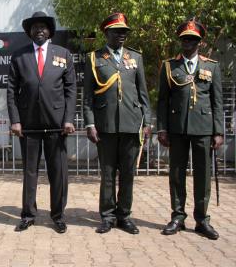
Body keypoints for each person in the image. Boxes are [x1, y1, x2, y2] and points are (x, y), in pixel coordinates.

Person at [7, 11, 77, 233]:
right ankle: (28, 214)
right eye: (35, 27)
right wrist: (15, 121)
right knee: (30, 172)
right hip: (28, 126)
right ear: (29, 32)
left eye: (43, 27)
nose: (39, 30)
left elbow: (71, 89)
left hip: (57, 125)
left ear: (50, 31)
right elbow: (11, 91)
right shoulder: (19, 56)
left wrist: (68, 119)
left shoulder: (63, 54)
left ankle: (58, 215)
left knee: (58, 172)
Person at [83, 13, 151, 234]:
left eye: (124, 32)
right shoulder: (95, 58)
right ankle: (107, 216)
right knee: (108, 173)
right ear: (107, 33)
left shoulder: (135, 57)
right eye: (117, 31)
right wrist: (90, 124)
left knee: (128, 174)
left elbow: (143, 94)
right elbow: (88, 98)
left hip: (132, 124)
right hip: (106, 126)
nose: (122, 35)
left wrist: (147, 122)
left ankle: (124, 215)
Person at [157, 19, 223, 240]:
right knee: (176, 174)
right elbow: (163, 101)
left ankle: (202, 220)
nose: (188, 42)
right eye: (185, 38)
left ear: (200, 43)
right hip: (177, 128)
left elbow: (217, 102)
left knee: (203, 175)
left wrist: (219, 131)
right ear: (180, 40)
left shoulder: (211, 66)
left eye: (192, 39)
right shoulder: (170, 66)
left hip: (204, 128)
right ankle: (178, 216)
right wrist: (162, 129)